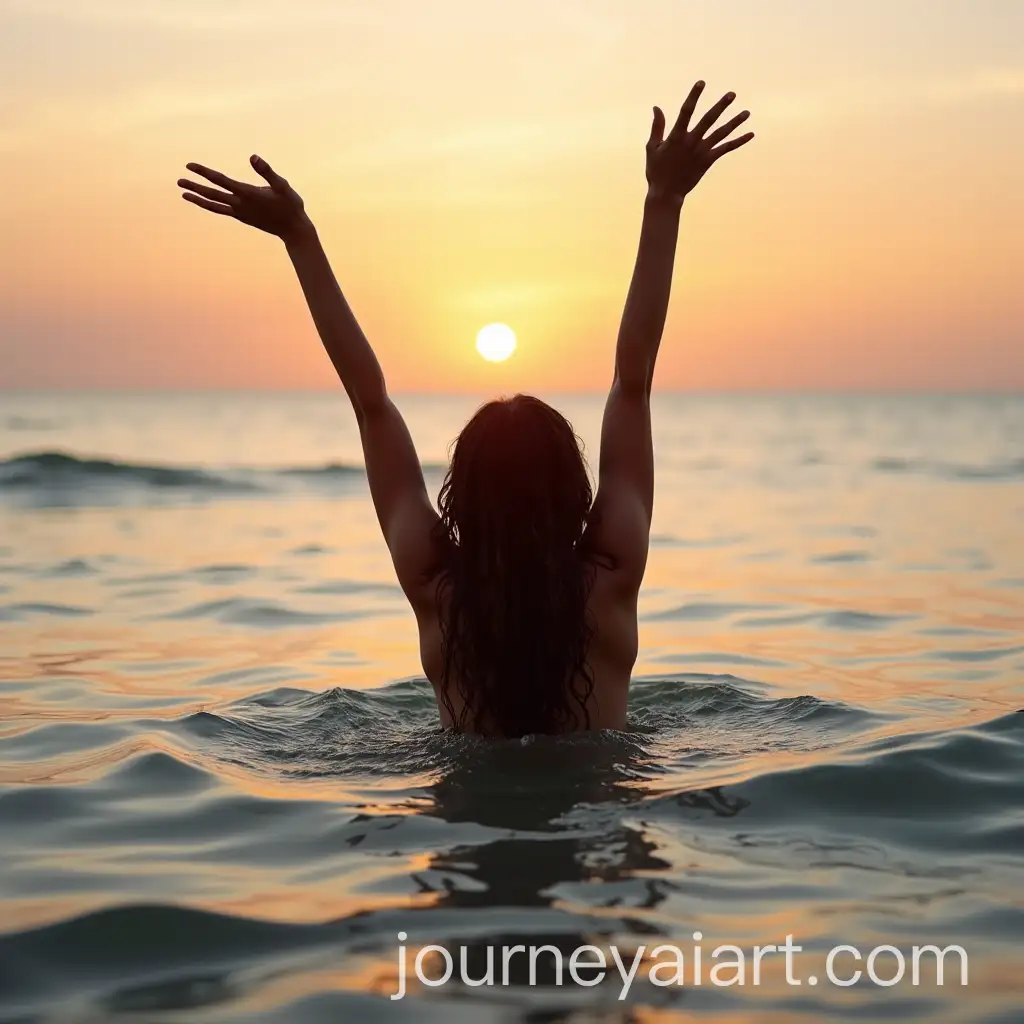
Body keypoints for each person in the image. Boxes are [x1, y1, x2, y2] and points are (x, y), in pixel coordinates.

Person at [177, 81, 754, 739]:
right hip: (601, 811)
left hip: (460, 822)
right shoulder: (612, 575)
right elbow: (633, 383)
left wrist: (300, 238)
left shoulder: (436, 589)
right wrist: (664, 200)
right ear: (572, 489)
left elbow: (371, 406)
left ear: (463, 493)